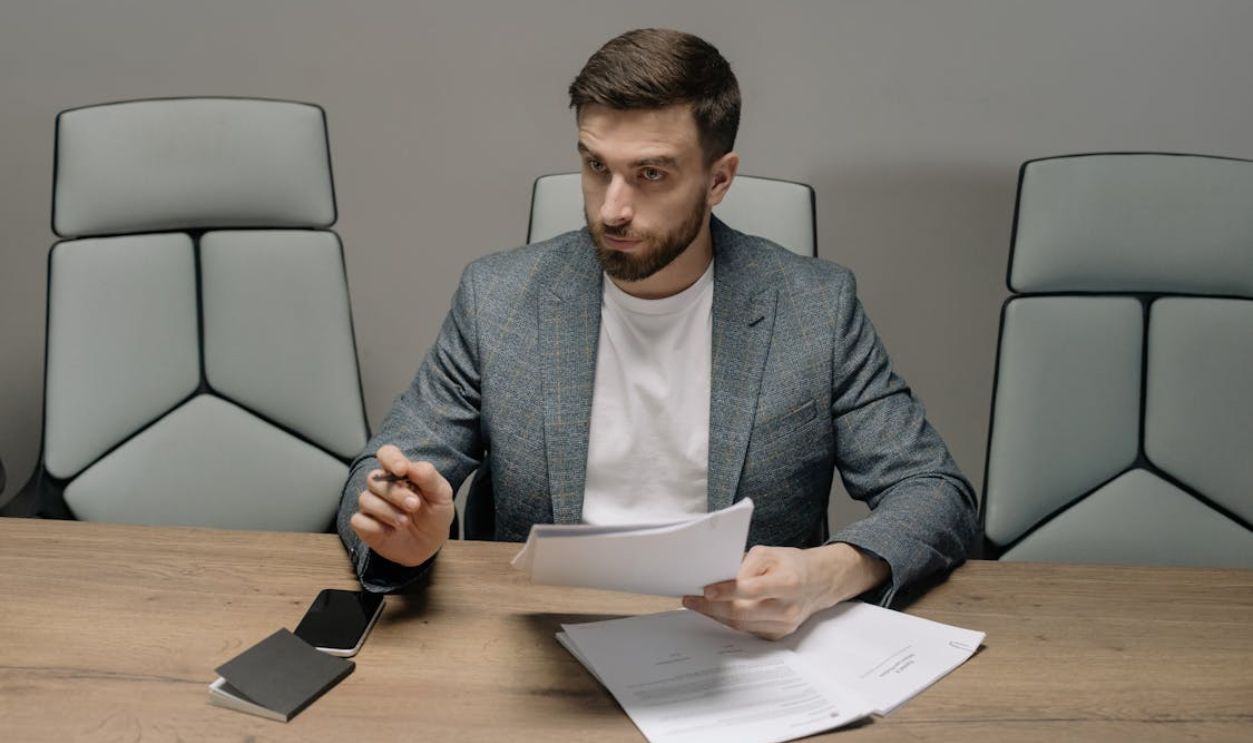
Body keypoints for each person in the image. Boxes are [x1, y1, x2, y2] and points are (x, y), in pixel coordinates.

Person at [337, 28, 977, 640]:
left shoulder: (816, 308)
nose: (612, 208)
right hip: (544, 639)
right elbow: (378, 475)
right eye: (596, 165)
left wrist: (827, 574)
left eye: (651, 174)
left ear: (719, 179)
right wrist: (400, 532)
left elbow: (934, 492)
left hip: (741, 644)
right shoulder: (497, 299)